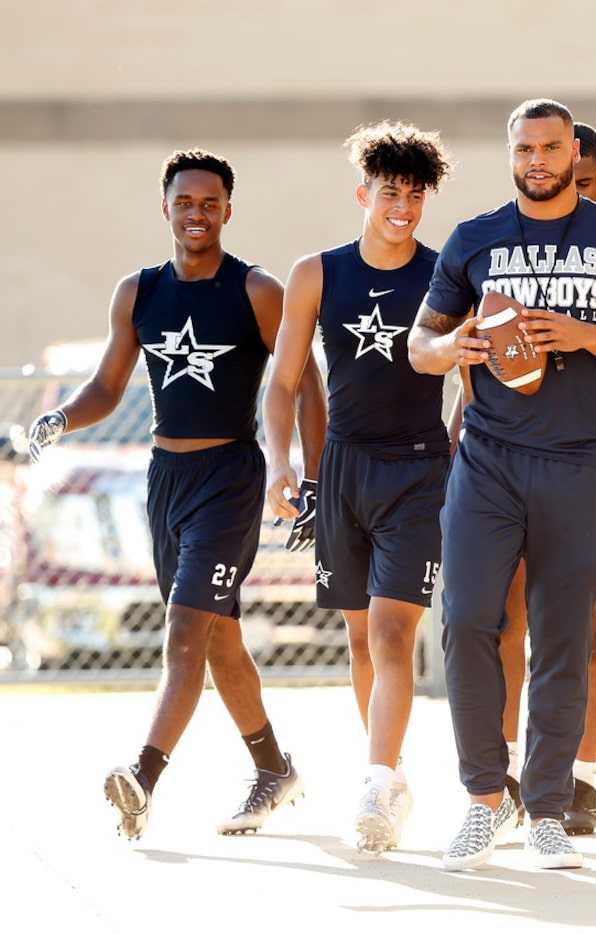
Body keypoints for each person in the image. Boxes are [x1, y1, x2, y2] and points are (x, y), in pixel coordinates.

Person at [25, 148, 327, 840]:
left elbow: (303, 382)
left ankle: (143, 776)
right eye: (184, 202)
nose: (197, 213)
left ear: (227, 209)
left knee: (186, 628)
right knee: (219, 639)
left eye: (209, 202)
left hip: (229, 478)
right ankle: (275, 770)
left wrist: (310, 476)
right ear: (165, 207)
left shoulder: (256, 290)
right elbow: (107, 386)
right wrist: (61, 416)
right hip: (166, 481)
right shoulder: (138, 291)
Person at [408, 98, 596, 871]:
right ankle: (484, 800)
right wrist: (454, 343)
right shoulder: (475, 238)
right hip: (488, 459)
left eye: (551, 147)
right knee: (466, 622)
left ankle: (549, 809)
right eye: (524, 147)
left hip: (579, 459)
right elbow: (421, 345)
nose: (537, 159)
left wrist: (584, 335)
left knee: (562, 638)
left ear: (572, 154)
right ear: (512, 153)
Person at [262, 122, 453, 855]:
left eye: (413, 194)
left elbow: (469, 378)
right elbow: (282, 383)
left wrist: (459, 454)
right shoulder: (317, 272)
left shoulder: (446, 275)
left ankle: (373, 782)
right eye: (389, 193)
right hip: (341, 467)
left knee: (392, 628)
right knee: (359, 637)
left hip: (417, 468)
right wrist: (282, 463)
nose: (401, 207)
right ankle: (393, 770)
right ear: (362, 194)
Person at [493, 121, 596, 836]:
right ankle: (505, 770)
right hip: (517, 451)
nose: (567, 190)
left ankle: (580, 776)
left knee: (591, 627)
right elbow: (496, 355)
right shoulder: (510, 249)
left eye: (582, 180)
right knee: (510, 618)